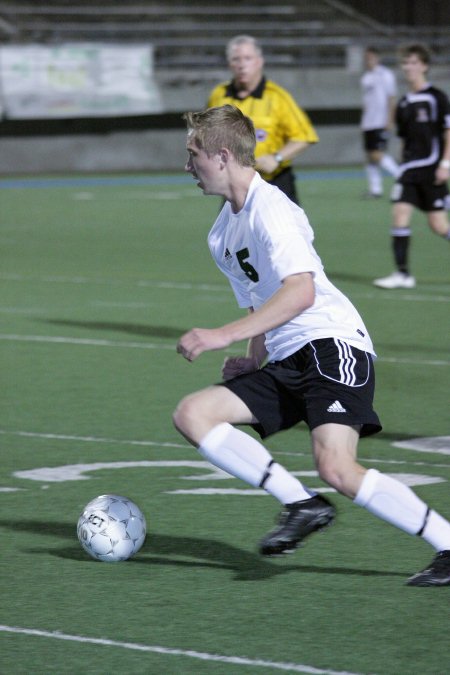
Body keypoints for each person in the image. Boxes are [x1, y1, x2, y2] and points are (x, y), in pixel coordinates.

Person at [173, 104, 450, 587]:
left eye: (192, 154)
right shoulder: (221, 232)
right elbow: (263, 297)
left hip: (331, 345)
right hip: (286, 356)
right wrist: (252, 355)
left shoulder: (273, 208)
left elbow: (300, 291)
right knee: (192, 414)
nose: (187, 166)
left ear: (221, 156)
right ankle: (301, 504)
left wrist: (221, 336)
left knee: (337, 467)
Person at [207, 35, 318, 205]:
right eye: (236, 59)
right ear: (230, 64)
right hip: (235, 186)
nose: (242, 65)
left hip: (274, 183)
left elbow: (304, 136)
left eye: (248, 58)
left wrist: (277, 158)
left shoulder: (277, 97)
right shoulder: (219, 95)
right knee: (234, 232)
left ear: (259, 62)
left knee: (283, 232)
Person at [374, 44, 450, 289]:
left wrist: (446, 164)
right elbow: (405, 138)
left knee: (438, 225)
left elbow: (448, 132)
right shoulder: (404, 102)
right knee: (399, 214)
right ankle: (403, 274)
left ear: (425, 66)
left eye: (414, 63)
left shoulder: (437, 97)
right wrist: (402, 163)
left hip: (431, 168)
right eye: (405, 63)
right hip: (409, 170)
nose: (409, 67)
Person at [360, 46, 399, 198]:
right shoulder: (366, 77)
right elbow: (366, 102)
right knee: (370, 156)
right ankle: (375, 190)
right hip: (368, 123)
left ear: (377, 58)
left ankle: (401, 176)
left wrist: (390, 119)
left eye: (370, 57)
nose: (368, 61)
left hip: (380, 121)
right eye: (366, 58)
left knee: (377, 154)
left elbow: (391, 97)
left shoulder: (385, 75)